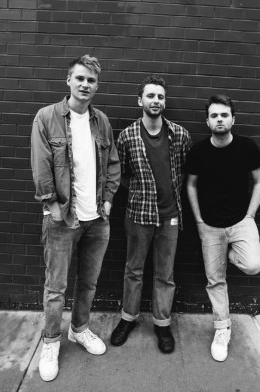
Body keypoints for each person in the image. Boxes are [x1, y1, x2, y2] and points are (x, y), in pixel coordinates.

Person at [30, 54, 120, 382]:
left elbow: (112, 163)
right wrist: (51, 203)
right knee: (56, 287)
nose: (85, 84)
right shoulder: (47, 117)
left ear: (97, 86)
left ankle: (79, 329)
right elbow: (41, 163)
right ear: (68, 80)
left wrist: (107, 200)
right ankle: (51, 341)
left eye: (91, 80)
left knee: (89, 282)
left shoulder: (101, 121)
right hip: (61, 219)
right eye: (79, 78)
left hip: (97, 219)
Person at [110, 76, 191, 353]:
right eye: (150, 96)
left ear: (164, 101)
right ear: (140, 100)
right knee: (133, 270)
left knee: (165, 274)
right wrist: (139, 189)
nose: (156, 101)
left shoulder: (180, 135)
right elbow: (120, 173)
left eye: (160, 97)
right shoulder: (127, 136)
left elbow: (183, 170)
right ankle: (128, 319)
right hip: (138, 215)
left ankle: (162, 324)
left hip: (170, 216)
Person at [185, 94, 260, 362]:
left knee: (253, 265)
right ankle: (222, 329)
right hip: (210, 226)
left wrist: (250, 215)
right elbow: (190, 185)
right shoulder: (198, 151)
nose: (219, 119)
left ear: (233, 119)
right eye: (214, 116)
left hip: (241, 221)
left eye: (224, 115)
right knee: (215, 280)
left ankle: (231, 255)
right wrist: (199, 220)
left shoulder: (247, 147)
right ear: (207, 121)